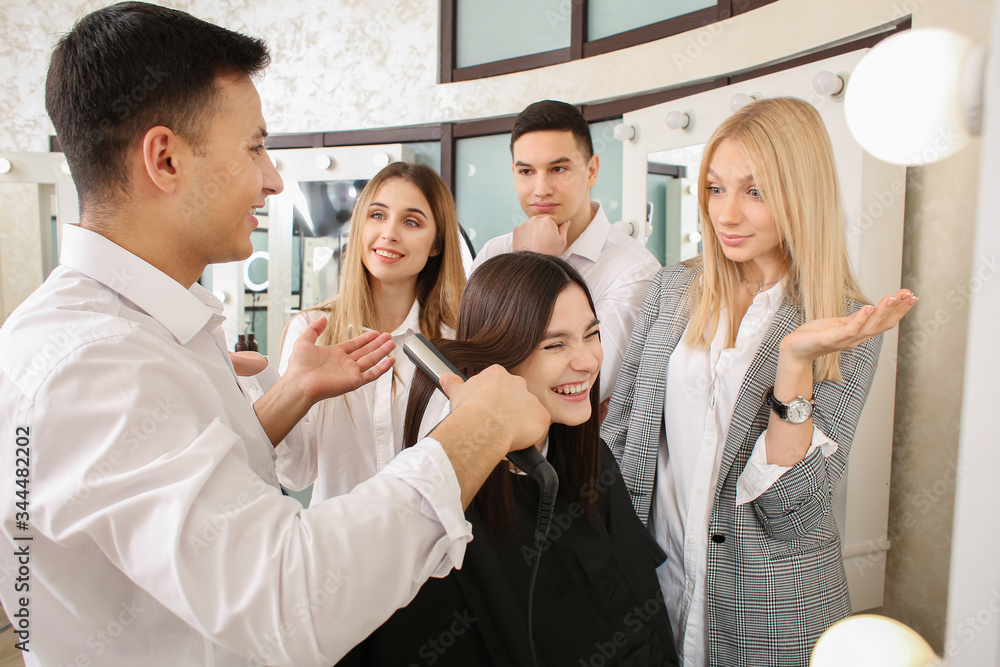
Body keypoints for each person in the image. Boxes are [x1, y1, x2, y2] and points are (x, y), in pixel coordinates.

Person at [0, 4, 548, 666]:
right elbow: (290, 597)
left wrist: (292, 392)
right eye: (254, 146)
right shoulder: (90, 364)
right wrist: (480, 427)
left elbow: (207, 502)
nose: (274, 178)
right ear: (165, 159)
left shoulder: (161, 330)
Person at [601, 97, 917, 666]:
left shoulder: (845, 324)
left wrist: (795, 364)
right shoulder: (673, 290)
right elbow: (622, 435)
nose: (726, 215)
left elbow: (793, 512)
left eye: (755, 191)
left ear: (801, 196)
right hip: (654, 592)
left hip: (771, 610)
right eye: (716, 188)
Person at [340, 252, 679, 667]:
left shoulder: (591, 464)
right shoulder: (446, 509)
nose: (588, 361)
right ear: (496, 360)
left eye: (592, 334)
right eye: (555, 344)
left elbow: (643, 619)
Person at [275, 162, 466, 501]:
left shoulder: (456, 340)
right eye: (377, 215)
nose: (389, 233)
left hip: (433, 547)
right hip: (336, 547)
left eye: (411, 222)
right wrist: (283, 392)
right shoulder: (311, 332)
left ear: (437, 244)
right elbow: (295, 472)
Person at [472, 100, 660, 405]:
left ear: (592, 170)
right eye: (526, 171)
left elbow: (582, 384)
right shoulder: (495, 251)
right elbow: (469, 362)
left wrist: (536, 265)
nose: (541, 188)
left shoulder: (633, 270)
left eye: (558, 168)